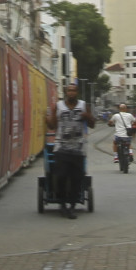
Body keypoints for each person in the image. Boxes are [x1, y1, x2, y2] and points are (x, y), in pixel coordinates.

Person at [47, 83, 93, 218]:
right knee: (61, 177)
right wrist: (46, 119)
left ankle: (72, 206)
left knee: (76, 179)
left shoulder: (84, 105)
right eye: (69, 91)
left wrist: (87, 116)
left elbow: (92, 124)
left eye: (74, 90)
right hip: (61, 148)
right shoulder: (58, 106)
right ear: (66, 92)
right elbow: (52, 126)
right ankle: (62, 204)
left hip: (78, 149)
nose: (71, 93)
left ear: (77, 92)